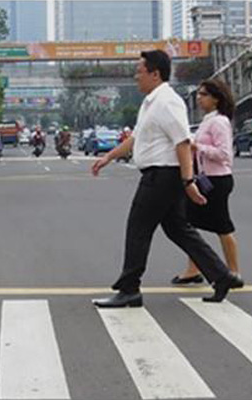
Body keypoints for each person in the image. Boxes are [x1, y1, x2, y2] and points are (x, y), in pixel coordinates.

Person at [91, 50, 241, 308]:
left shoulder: (167, 102)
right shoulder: (151, 102)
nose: (136, 76)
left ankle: (129, 289)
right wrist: (108, 157)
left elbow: (182, 143)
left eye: (139, 71)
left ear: (155, 73)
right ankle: (221, 275)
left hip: (162, 175)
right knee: (178, 229)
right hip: (160, 175)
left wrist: (188, 181)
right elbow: (135, 138)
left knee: (138, 228)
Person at [171, 79, 244, 289]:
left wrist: (197, 147)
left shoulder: (219, 122)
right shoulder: (207, 120)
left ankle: (233, 272)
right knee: (189, 223)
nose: (198, 98)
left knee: (222, 226)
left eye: (203, 94)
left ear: (216, 98)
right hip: (205, 179)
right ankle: (194, 270)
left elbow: (224, 155)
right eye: (198, 94)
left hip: (217, 180)